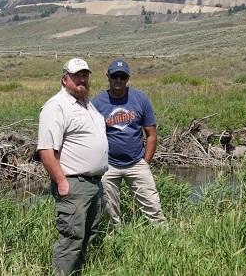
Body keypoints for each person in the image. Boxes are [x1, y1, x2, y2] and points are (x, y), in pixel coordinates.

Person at [36, 58, 108, 276]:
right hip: (74, 183)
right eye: (77, 75)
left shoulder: (88, 103)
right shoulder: (56, 106)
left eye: (85, 75)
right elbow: (46, 150)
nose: (82, 79)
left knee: (90, 235)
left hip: (94, 183)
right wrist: (61, 182)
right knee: (71, 239)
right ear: (64, 78)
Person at [91, 59, 166, 226]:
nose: (118, 80)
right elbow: (91, 136)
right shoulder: (97, 103)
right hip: (108, 165)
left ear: (128, 78)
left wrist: (145, 162)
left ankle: (164, 237)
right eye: (115, 76)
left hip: (136, 162)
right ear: (108, 77)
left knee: (153, 207)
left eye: (122, 77)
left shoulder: (140, 99)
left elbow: (151, 134)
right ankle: (114, 239)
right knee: (109, 210)